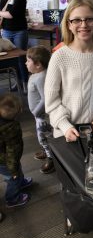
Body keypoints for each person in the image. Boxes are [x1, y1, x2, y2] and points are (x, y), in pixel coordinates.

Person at [45, 0, 93, 142]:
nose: (83, 25)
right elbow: (51, 101)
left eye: (89, 19)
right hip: (66, 133)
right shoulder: (59, 57)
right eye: (77, 20)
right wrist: (65, 126)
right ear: (68, 24)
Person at [26, 46, 55, 174]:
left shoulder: (41, 77)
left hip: (42, 116)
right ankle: (47, 151)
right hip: (38, 115)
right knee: (43, 136)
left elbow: (45, 99)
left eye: (28, 61)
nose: (25, 63)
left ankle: (52, 159)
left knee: (43, 137)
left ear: (38, 64)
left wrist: (36, 112)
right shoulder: (37, 74)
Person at [0, 93, 32, 208]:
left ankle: (20, 181)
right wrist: (13, 170)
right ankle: (13, 198)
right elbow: (12, 152)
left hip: (4, 159)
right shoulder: (11, 128)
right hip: (5, 161)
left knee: (17, 170)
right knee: (13, 177)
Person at [0, 0, 28, 93]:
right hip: (6, 30)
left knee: (21, 58)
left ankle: (25, 84)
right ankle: (17, 82)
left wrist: (1, 13)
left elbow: (11, 14)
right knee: (10, 60)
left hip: (19, 32)